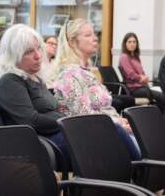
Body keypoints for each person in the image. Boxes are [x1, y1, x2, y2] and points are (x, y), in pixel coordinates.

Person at [51, 18, 140, 159]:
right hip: (89, 135)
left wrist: (120, 120)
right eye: (88, 35)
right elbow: (83, 116)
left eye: (94, 34)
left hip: (106, 128)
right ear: (72, 42)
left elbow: (104, 108)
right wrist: (117, 123)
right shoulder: (69, 75)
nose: (95, 38)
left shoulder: (86, 72)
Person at [0, 24, 66, 155]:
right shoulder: (10, 80)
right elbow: (31, 121)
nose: (38, 55)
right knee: (102, 139)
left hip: (56, 135)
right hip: (42, 144)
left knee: (110, 132)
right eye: (28, 51)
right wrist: (66, 122)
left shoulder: (36, 77)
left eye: (38, 48)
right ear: (13, 56)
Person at [119, 32, 165, 112]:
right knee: (161, 97)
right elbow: (130, 74)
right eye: (129, 42)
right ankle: (161, 119)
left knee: (163, 95)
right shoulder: (124, 57)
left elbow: (142, 73)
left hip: (141, 87)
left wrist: (144, 78)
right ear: (125, 44)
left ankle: (158, 118)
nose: (132, 44)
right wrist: (141, 78)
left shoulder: (135, 57)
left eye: (134, 42)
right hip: (133, 88)